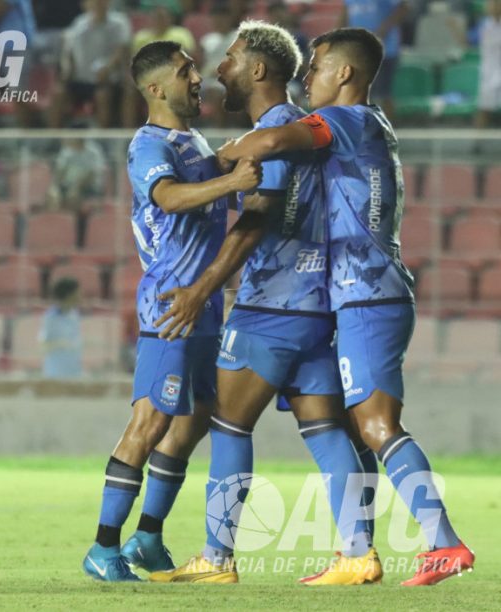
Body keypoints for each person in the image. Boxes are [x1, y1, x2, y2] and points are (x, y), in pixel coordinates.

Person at [213, 27, 474, 587]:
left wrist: (227, 154)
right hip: (366, 296)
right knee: (358, 428)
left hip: (367, 297)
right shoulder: (366, 125)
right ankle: (358, 553)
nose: (307, 78)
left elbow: (271, 142)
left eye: (316, 67)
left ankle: (444, 543)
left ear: (345, 73)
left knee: (377, 426)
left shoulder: (343, 120)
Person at [148, 21, 377, 586]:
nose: (218, 69)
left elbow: (255, 220)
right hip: (317, 307)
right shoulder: (304, 129)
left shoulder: (276, 131)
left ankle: (216, 557)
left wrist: (201, 290)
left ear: (256, 69)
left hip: (270, 306)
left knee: (228, 424)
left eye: (228, 59)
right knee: (324, 429)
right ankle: (358, 552)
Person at [82, 40, 261, 582]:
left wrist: (227, 165)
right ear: (157, 88)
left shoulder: (193, 142)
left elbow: (212, 195)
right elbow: (167, 198)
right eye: (186, 71)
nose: (198, 77)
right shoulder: (149, 145)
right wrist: (231, 179)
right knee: (150, 420)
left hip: (201, 304)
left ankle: (147, 537)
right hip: (170, 303)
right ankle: (102, 549)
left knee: (196, 418)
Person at [50, 0, 131, 128]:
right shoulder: (79, 23)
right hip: (80, 79)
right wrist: (67, 69)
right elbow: (69, 50)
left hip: (106, 80)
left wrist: (108, 68)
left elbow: (121, 51)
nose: (98, 3)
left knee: (102, 96)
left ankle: (102, 137)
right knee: (58, 93)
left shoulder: (119, 22)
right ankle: (53, 136)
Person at [338, 0, 408, 119]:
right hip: (359, 51)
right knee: (360, 92)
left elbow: (404, 7)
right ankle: (365, 125)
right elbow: (345, 15)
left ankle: (387, 126)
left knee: (383, 94)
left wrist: (383, 29)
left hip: (385, 50)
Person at [39, 277, 83, 380]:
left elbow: (75, 341)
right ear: (69, 295)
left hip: (74, 370)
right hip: (55, 372)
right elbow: (44, 345)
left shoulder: (74, 315)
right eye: (77, 293)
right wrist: (62, 343)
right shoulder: (51, 318)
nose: (80, 296)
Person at [475, 0, 501, 128]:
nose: (493, 6)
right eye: (491, 3)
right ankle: (477, 139)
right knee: (483, 110)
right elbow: (468, 43)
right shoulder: (484, 25)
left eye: (497, 3)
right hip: (489, 73)